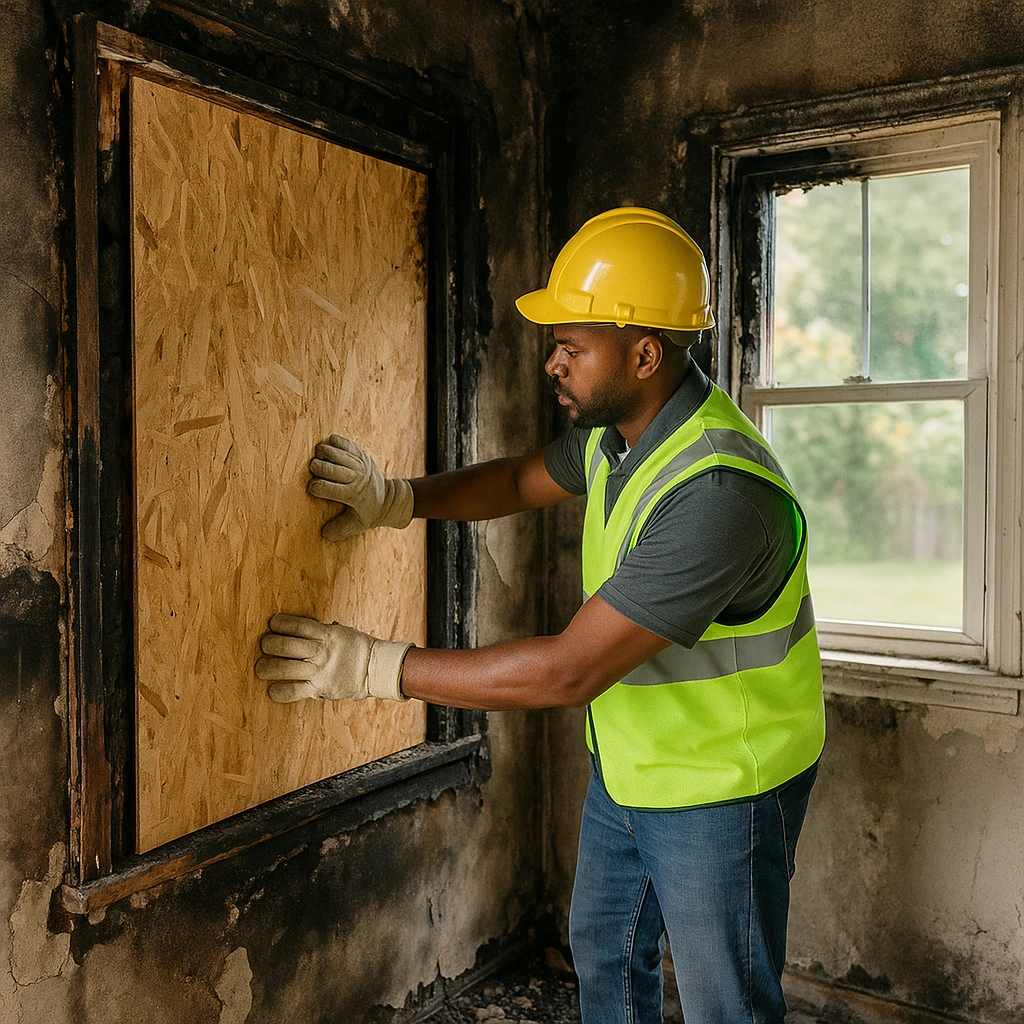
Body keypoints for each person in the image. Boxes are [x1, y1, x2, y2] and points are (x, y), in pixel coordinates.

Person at [255, 207, 826, 1024]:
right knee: (604, 954)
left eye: (571, 346)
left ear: (644, 352)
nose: (550, 362)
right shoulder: (620, 435)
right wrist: (396, 500)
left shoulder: (719, 495)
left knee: (724, 1004)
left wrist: (375, 667)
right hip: (632, 766)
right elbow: (524, 479)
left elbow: (570, 669)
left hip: (722, 789)